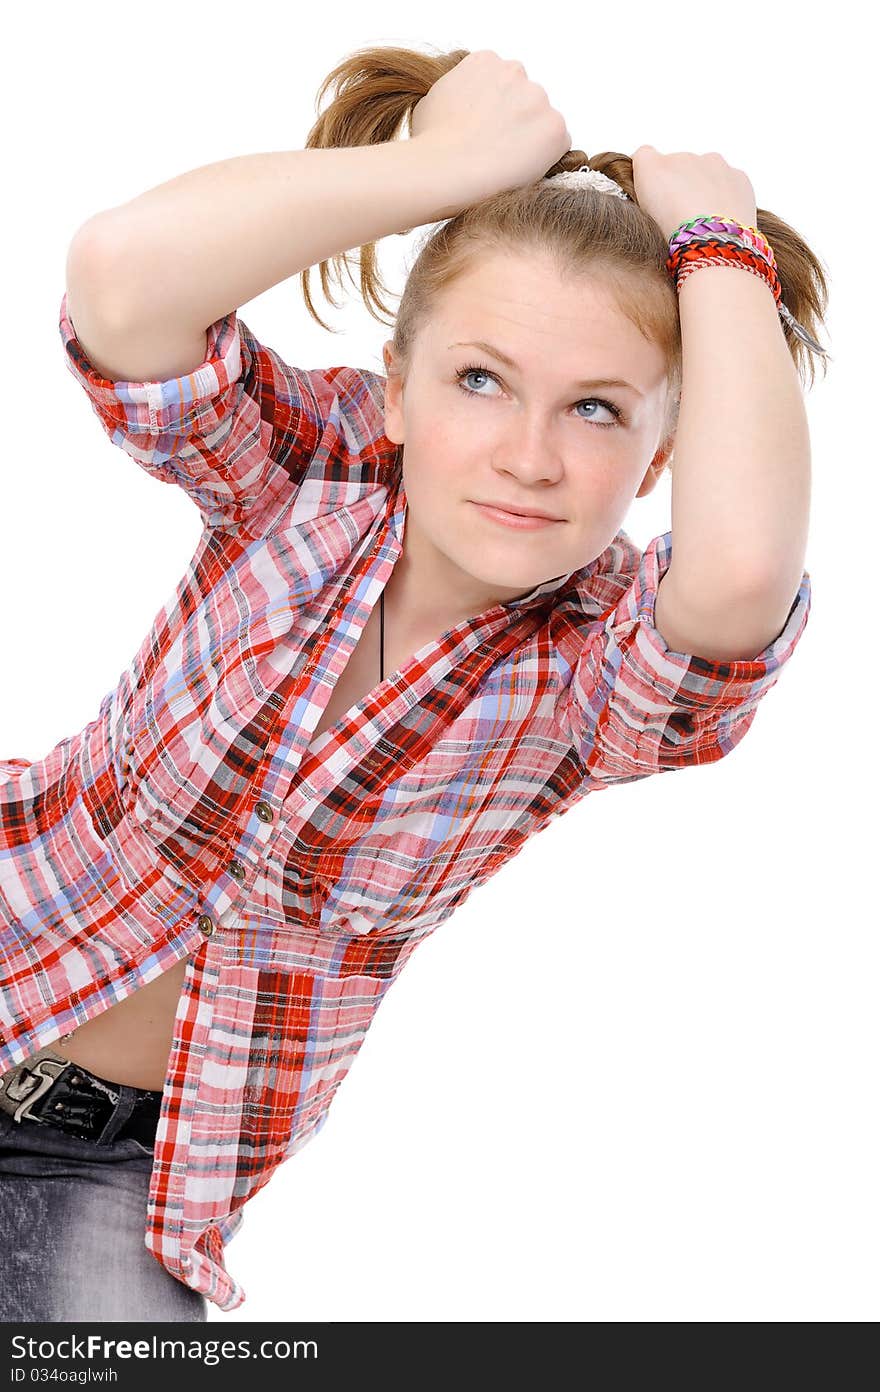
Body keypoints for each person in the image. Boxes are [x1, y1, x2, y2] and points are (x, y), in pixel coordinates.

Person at [0, 44, 825, 1321]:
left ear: (660, 458)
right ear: (396, 388)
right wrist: (433, 169)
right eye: (480, 381)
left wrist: (720, 251)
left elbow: (737, 579)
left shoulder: (585, 677)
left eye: (598, 411)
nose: (528, 455)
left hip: (116, 1164)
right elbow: (120, 283)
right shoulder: (307, 476)